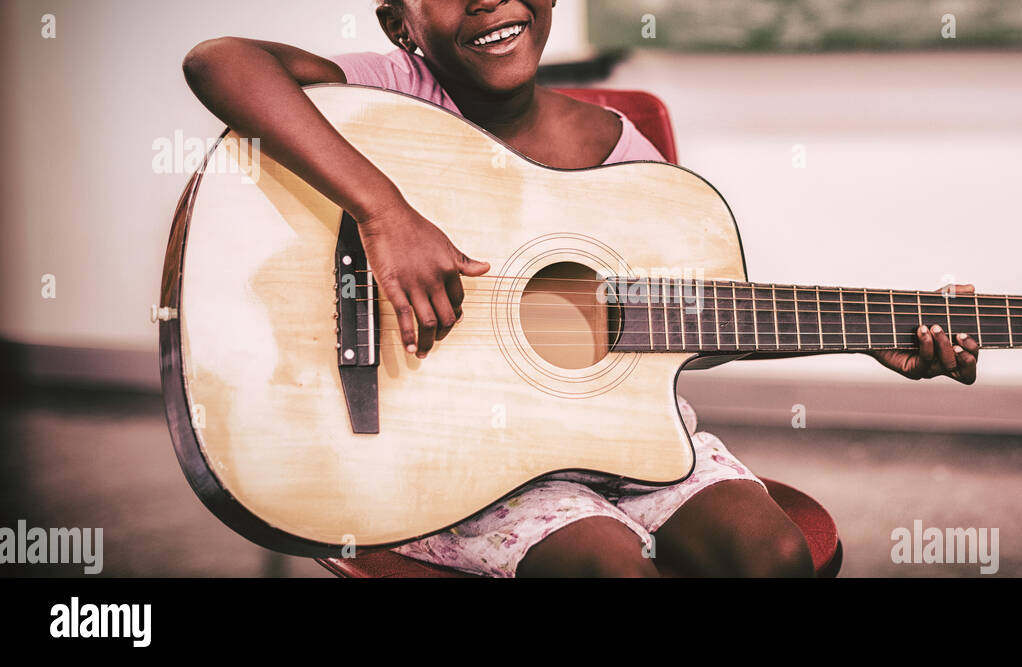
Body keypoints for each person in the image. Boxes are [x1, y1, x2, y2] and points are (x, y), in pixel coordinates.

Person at [182, 0, 980, 577]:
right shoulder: (388, 95)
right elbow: (219, 60)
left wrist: (872, 330)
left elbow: (682, 329)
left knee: (769, 555)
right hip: (453, 461)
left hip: (625, 443)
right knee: (608, 567)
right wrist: (384, 212)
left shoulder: (620, 152)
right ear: (401, 25)